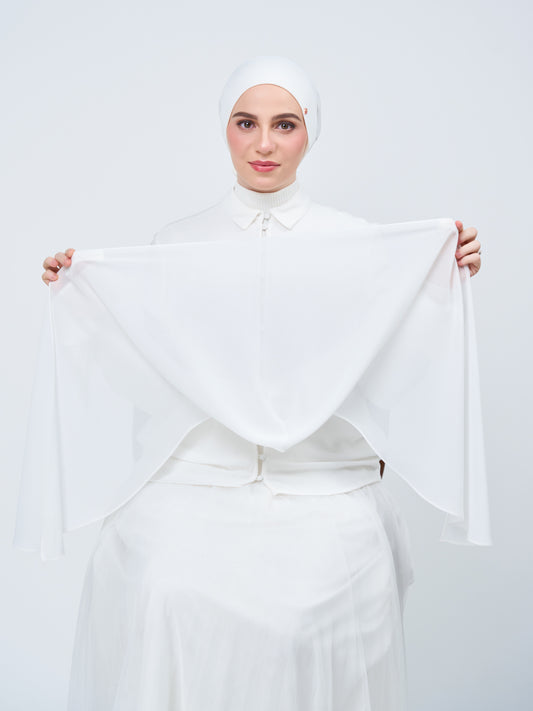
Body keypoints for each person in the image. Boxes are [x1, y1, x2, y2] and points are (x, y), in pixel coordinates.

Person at [33, 57, 485, 710]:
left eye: (285, 125)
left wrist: (443, 278)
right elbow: (147, 373)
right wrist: (82, 296)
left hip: (321, 478)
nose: (264, 144)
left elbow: (396, 366)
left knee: (306, 612)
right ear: (225, 128)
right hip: (197, 476)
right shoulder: (177, 241)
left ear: (309, 132)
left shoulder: (356, 242)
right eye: (246, 123)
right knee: (161, 585)